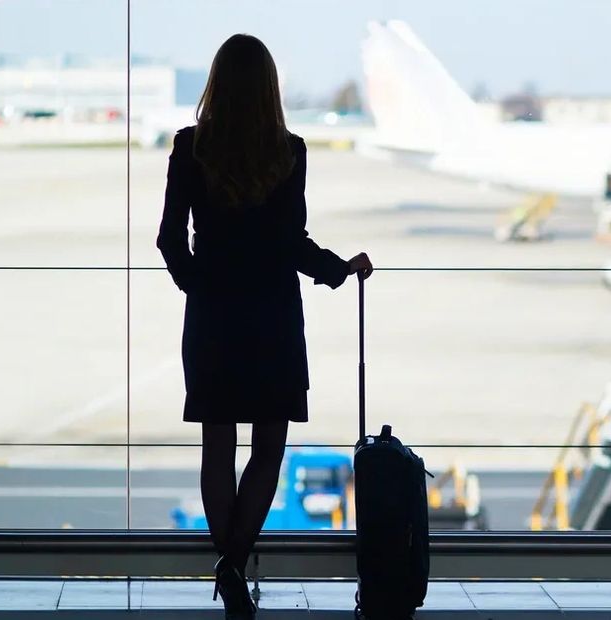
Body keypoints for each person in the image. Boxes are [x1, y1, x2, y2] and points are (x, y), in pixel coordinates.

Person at [156, 34, 373, 619]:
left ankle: (227, 565)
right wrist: (339, 269)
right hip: (273, 317)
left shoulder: (189, 148)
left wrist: (198, 286)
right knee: (268, 447)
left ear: (216, 84)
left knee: (217, 443)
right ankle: (233, 563)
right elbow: (291, 242)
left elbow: (170, 240)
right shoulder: (290, 151)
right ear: (270, 88)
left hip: (214, 317)